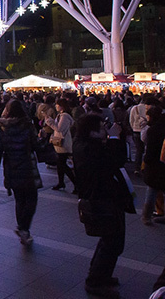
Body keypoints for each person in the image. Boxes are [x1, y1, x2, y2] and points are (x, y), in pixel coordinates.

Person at [74, 113, 130, 297]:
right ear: (92, 132)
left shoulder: (85, 145)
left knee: (109, 240)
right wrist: (114, 137)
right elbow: (114, 160)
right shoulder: (91, 149)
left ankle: (100, 275)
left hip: (103, 198)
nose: (106, 130)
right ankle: (95, 281)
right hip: (102, 199)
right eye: (102, 128)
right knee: (112, 242)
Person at [0, 99, 42, 246]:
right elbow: (36, 145)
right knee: (31, 198)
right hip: (27, 166)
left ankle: (22, 229)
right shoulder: (27, 125)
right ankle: (24, 228)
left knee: (19, 199)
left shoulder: (3, 128)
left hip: (11, 167)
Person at [46, 98, 76, 192]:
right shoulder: (60, 115)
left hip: (63, 144)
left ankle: (75, 183)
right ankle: (61, 182)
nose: (56, 106)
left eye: (57, 104)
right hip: (60, 143)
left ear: (62, 106)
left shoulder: (65, 116)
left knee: (62, 164)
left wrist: (50, 122)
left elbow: (59, 129)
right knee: (61, 164)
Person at [142, 106, 165, 225]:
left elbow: (149, 151)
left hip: (155, 165)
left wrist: (146, 161)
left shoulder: (153, 130)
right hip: (162, 163)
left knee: (152, 190)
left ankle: (146, 216)